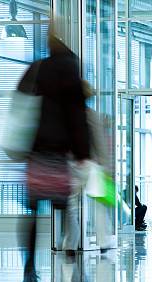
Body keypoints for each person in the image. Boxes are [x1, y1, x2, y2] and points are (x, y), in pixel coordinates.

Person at [20, 30, 90, 282]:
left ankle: (29, 270)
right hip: (58, 152)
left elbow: (20, 104)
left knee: (32, 212)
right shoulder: (70, 71)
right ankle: (76, 265)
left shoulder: (36, 69)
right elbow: (77, 117)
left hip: (35, 150)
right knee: (67, 207)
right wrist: (82, 153)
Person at [63, 81, 113, 255]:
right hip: (91, 166)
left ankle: (71, 242)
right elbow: (99, 142)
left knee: (71, 205)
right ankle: (104, 241)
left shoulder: (66, 116)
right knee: (99, 204)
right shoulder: (91, 115)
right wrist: (107, 169)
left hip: (71, 165)